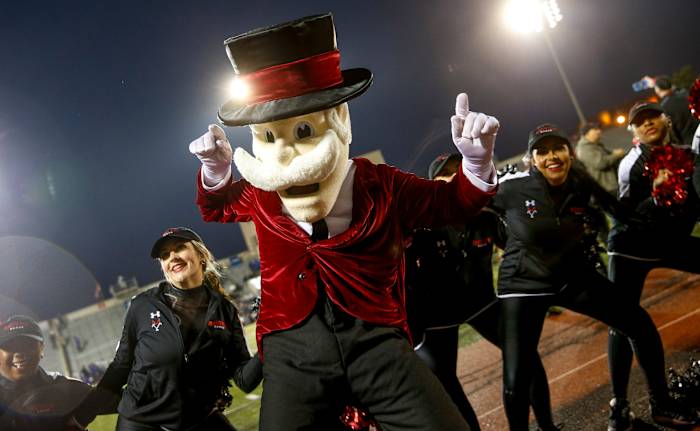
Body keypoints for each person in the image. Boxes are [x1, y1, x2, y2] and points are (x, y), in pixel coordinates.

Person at [190, 13, 499, 431]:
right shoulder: (262, 191)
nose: (286, 157)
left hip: (374, 340)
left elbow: (451, 204)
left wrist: (477, 162)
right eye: (268, 136)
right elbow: (216, 207)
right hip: (290, 350)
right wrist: (215, 170)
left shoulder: (380, 184)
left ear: (339, 120)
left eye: (302, 130)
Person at [490, 123, 699, 431]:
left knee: (639, 324)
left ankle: (662, 405)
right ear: (532, 159)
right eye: (542, 151)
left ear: (569, 153)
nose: (552, 156)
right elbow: (469, 207)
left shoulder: (579, 183)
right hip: (524, 284)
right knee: (518, 374)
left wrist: (657, 193)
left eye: (558, 148)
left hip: (574, 276)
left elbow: (623, 213)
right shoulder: (512, 185)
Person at [405, 153, 560, 431]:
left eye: (459, 169)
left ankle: (547, 427)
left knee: (525, 355)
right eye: (446, 173)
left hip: (481, 303)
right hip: (435, 318)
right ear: (433, 185)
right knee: (446, 385)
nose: (454, 176)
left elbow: (519, 248)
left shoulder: (486, 215)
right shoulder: (420, 225)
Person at [74, 227, 262, 431]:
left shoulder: (225, 310)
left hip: (199, 418)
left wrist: (268, 337)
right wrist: (82, 416)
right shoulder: (143, 305)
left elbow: (244, 380)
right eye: (165, 255)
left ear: (201, 255)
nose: (172, 257)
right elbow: (120, 367)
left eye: (179, 248)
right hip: (142, 423)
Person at [606, 101, 700, 431]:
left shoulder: (689, 155)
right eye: (639, 122)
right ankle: (621, 405)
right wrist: (657, 196)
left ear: (666, 119)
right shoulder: (631, 165)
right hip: (632, 247)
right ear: (632, 130)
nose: (647, 124)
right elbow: (626, 214)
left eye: (652, 117)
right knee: (621, 321)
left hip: (671, 242)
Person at [0, 315, 89, 431]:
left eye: (27, 344)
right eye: (10, 346)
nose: (19, 353)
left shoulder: (64, 387)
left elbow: (115, 400)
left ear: (41, 349)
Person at [575, 122, 625, 195]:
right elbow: (600, 163)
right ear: (587, 133)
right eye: (595, 129)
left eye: (599, 129)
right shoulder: (584, 148)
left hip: (611, 185)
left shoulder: (594, 145)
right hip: (606, 188)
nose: (599, 131)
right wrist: (616, 155)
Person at [654, 75, 700, 147]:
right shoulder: (687, 93)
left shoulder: (663, 108)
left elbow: (671, 134)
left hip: (692, 145)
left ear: (657, 89)